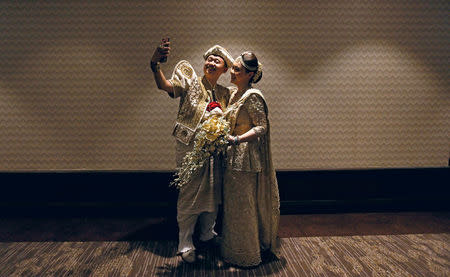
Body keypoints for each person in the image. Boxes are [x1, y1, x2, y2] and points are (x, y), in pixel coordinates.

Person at [150, 41, 233, 263]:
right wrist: (155, 64)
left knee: (213, 193)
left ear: (225, 69)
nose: (211, 62)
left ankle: (207, 234)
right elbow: (165, 86)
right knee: (190, 194)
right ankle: (185, 243)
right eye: (209, 59)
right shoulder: (191, 83)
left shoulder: (226, 93)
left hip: (215, 153)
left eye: (217, 60)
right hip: (189, 149)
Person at [221, 51, 280, 267]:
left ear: (249, 75)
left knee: (243, 206)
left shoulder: (252, 96)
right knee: (232, 206)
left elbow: (261, 127)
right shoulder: (234, 94)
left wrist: (237, 139)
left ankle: (246, 254)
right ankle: (231, 249)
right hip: (231, 157)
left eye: (237, 69)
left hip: (245, 158)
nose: (232, 72)